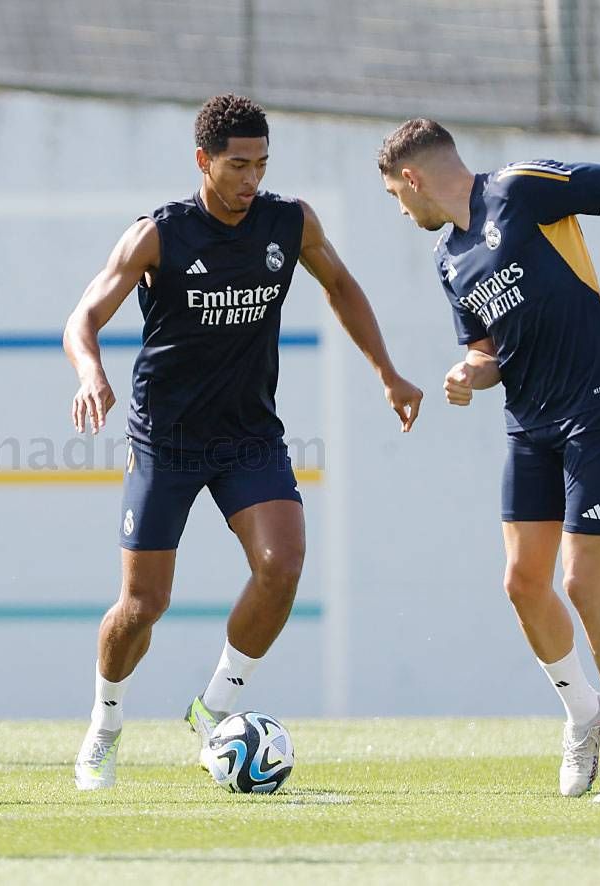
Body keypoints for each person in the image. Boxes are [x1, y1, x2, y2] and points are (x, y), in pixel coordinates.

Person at [64, 94, 423, 789]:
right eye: (237, 165)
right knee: (142, 606)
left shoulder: (288, 223)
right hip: (166, 441)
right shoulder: (159, 235)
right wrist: (90, 373)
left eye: (261, 164)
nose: (250, 179)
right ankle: (104, 726)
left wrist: (388, 372)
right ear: (203, 161)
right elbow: (84, 316)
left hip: (249, 435)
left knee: (282, 564)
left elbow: (342, 286)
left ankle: (214, 710)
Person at [377, 118, 600, 801]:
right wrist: (470, 373)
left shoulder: (520, 188)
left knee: (583, 582)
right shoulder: (449, 261)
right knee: (522, 584)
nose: (400, 209)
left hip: (599, 400)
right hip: (529, 424)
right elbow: (488, 349)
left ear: (411, 178)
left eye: (394, 195)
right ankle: (583, 716)